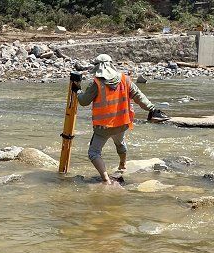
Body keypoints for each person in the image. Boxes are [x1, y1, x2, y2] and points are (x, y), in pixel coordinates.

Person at [72, 54, 169, 185]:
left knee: (93, 153)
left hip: (103, 127)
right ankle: (122, 166)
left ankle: (106, 179)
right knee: (120, 143)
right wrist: (152, 109)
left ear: (97, 67)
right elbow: (140, 97)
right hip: (122, 123)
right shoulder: (125, 79)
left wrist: (77, 91)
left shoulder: (96, 83)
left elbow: (83, 102)